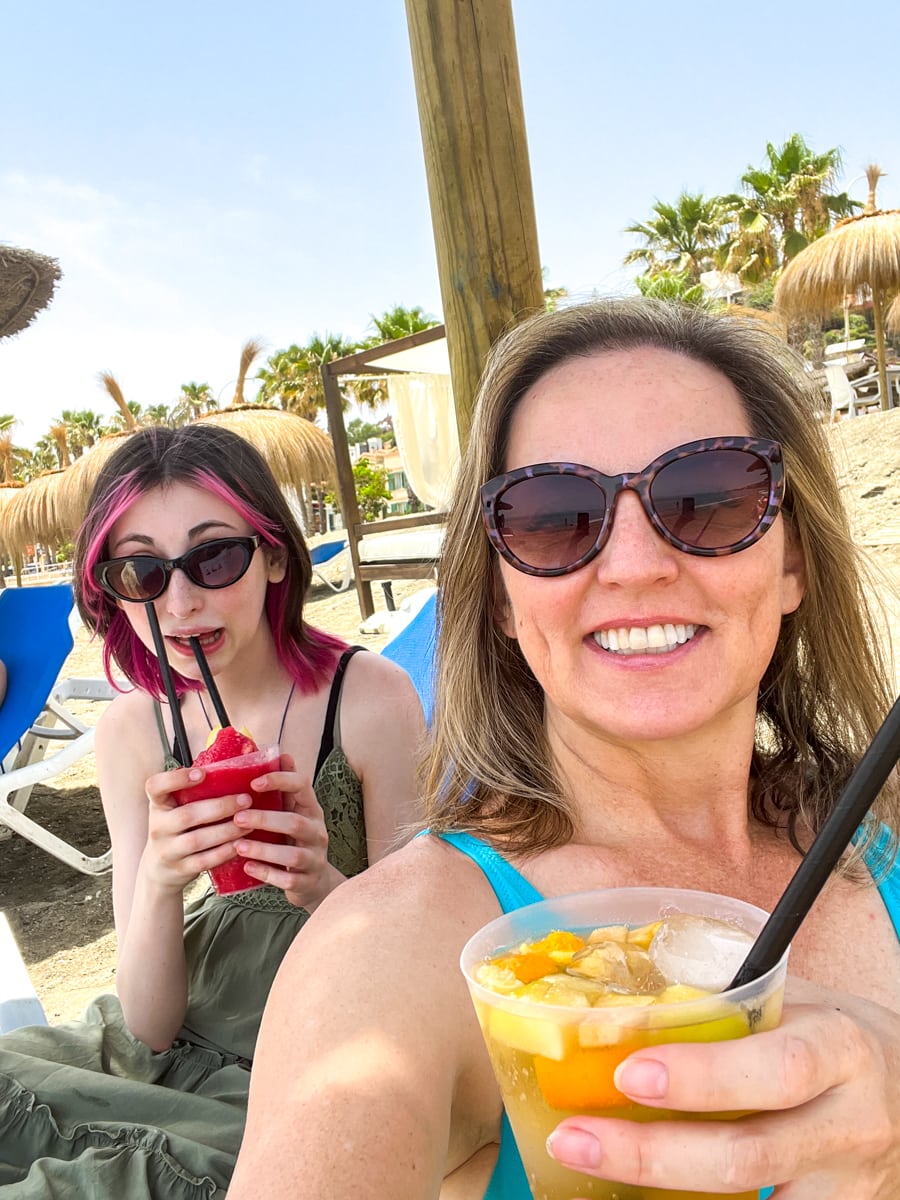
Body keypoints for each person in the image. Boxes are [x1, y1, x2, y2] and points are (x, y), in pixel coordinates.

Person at [229, 298, 900, 1199]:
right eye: (552, 515)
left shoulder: (883, 834)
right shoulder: (398, 946)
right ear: (502, 601)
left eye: (708, 497)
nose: (633, 565)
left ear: (792, 564)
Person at [0, 423, 425, 1196]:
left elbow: (419, 967)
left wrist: (322, 883)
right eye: (143, 572)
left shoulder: (368, 699)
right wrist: (160, 880)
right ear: (113, 590)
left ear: (272, 555)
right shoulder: (132, 731)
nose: (182, 602)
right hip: (153, 1042)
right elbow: (149, 1025)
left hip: (307, 1045)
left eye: (214, 557)